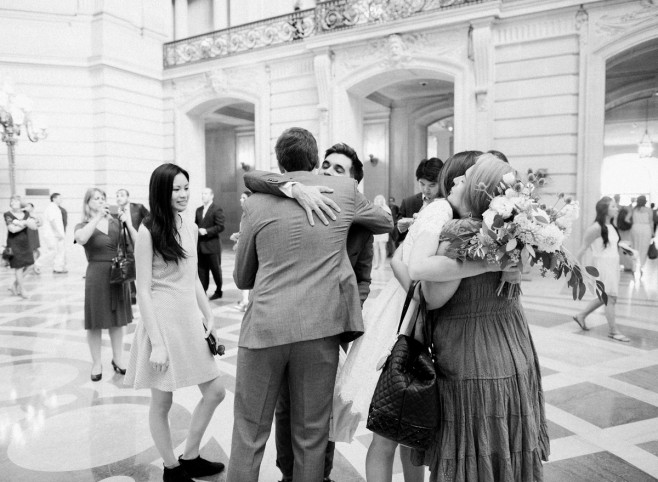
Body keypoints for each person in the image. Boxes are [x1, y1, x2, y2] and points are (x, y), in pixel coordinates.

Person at [227, 128, 392, 482]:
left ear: (280, 164)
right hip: (319, 334)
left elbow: (242, 278)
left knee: (248, 435)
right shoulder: (345, 191)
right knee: (312, 437)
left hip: (264, 330)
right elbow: (385, 222)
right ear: (316, 163)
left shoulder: (255, 201)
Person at [332, 151, 482, 482]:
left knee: (408, 429)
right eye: (466, 176)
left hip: (412, 317)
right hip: (403, 320)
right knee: (388, 427)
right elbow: (407, 266)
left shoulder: (451, 213)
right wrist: (421, 295)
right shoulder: (439, 212)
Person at [407, 154, 549, 481]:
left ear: (475, 189)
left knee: (471, 455)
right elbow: (516, 277)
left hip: (471, 358)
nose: (457, 180)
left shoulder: (460, 232)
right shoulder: (519, 233)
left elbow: (432, 297)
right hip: (515, 351)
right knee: (508, 454)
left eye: (466, 176)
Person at [125, 164, 226, 482]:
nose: (183, 195)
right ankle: (171, 467)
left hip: (189, 320)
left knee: (216, 391)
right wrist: (156, 342)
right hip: (163, 324)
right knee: (162, 399)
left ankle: (191, 454)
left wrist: (207, 312)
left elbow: (192, 275)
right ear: (161, 192)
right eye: (176, 189)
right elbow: (142, 289)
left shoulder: (191, 226)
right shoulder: (148, 229)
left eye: (186, 187)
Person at [73, 189, 136, 381]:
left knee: (117, 321)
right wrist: (98, 217)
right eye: (96, 198)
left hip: (118, 274)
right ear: (88, 203)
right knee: (95, 322)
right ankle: (97, 362)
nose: (101, 201)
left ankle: (118, 359)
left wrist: (129, 223)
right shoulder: (82, 224)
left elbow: (135, 243)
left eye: (103, 198)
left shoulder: (116, 222)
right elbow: (81, 238)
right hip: (96, 275)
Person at [572, 197, 630, 342]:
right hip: (603, 266)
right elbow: (583, 247)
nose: (617, 209)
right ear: (605, 209)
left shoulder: (611, 226)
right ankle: (613, 331)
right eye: (613, 206)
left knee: (604, 296)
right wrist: (573, 268)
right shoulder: (595, 228)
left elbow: (610, 246)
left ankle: (581, 315)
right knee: (611, 298)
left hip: (613, 265)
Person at [116, 188, 150, 304]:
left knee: (141, 267)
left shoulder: (138, 207)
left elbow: (150, 220)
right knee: (127, 266)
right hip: (124, 244)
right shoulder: (116, 212)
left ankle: (146, 292)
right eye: (117, 196)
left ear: (128, 197)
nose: (119, 197)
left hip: (138, 241)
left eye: (121, 195)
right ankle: (132, 295)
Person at [397, 157, 443, 242]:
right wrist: (401, 227)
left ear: (441, 182)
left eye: (432, 185)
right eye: (422, 184)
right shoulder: (408, 203)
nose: (426, 189)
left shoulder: (448, 203)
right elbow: (398, 236)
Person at [195, 188, 225, 300]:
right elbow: (196, 224)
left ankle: (218, 290)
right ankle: (203, 291)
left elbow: (220, 226)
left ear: (212, 196)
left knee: (216, 270)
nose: (203, 195)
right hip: (201, 246)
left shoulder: (217, 209)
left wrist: (207, 231)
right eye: (202, 193)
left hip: (212, 246)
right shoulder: (198, 210)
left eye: (206, 193)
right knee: (202, 270)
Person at [4, 195, 37, 298]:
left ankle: (14, 284)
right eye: (12, 201)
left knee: (31, 265)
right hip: (14, 243)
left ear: (21, 203)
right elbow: (12, 229)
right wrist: (25, 223)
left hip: (25, 242)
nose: (13, 202)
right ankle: (22, 290)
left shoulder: (26, 214)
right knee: (18, 267)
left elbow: (34, 226)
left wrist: (21, 223)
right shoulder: (7, 214)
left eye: (16, 201)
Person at [230, 190, 252, 313]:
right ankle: (245, 301)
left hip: (247, 251)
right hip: (243, 248)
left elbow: (249, 233)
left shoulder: (249, 214)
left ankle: (245, 302)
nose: (241, 200)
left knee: (245, 275)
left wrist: (239, 242)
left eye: (243, 198)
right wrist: (237, 236)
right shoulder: (244, 214)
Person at [625, 194, 653, 274]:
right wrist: (653, 233)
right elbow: (651, 222)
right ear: (645, 201)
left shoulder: (634, 209)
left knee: (635, 248)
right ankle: (641, 267)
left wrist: (634, 223)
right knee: (644, 249)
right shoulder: (648, 210)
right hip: (646, 228)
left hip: (635, 228)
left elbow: (626, 219)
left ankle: (634, 267)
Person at [41, 192, 68, 273]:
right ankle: (38, 264)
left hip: (57, 234)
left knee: (60, 251)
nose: (61, 200)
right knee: (53, 251)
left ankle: (58, 267)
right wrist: (57, 232)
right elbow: (52, 221)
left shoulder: (56, 208)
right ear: (54, 199)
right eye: (59, 198)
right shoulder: (51, 208)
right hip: (53, 234)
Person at [373, 195, 391, 269]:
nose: (378, 201)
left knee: (382, 248)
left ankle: (382, 265)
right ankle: (376, 263)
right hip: (375, 231)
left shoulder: (386, 209)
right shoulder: (374, 208)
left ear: (383, 200)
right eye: (377, 200)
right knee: (375, 247)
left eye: (380, 200)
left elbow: (389, 220)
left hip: (383, 231)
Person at [24, 202, 42, 274]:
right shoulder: (23, 215)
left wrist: (37, 221)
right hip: (26, 234)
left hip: (33, 233)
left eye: (29, 206)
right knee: (28, 250)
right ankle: (30, 266)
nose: (27, 207)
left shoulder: (36, 215)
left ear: (32, 208)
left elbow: (40, 223)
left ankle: (34, 266)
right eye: (26, 206)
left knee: (35, 250)